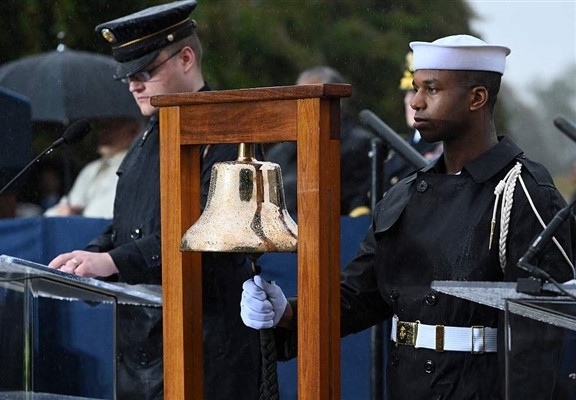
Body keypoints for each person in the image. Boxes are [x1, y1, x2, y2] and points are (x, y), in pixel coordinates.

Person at [241, 34, 575, 399]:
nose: (416, 101)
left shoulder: (524, 191)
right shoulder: (404, 195)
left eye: (431, 89)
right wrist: (287, 313)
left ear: (476, 98)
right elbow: (359, 296)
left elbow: (545, 333)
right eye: (416, 88)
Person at [48, 1, 261, 399]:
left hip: (205, 348)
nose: (134, 85)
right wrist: (90, 259)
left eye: (145, 71)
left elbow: (211, 234)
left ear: (185, 57)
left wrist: (114, 262)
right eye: (128, 76)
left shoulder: (228, 132)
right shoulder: (148, 136)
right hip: (143, 344)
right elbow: (129, 220)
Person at [265, 66, 373, 217]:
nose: (301, 105)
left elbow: (354, 202)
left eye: (310, 98)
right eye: (297, 98)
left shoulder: (358, 145)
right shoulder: (280, 152)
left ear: (336, 102)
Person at [44, 117, 141, 219]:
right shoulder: (90, 169)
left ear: (134, 131)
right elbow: (68, 205)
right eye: (101, 127)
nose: (103, 132)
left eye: (111, 127)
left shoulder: (137, 167)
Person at [383, 51, 442, 191]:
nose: (409, 101)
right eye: (408, 93)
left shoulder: (443, 148)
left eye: (416, 92)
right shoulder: (402, 144)